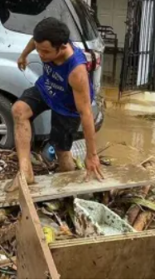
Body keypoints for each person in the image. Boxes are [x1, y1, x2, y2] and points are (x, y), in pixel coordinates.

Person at [12, 17, 103, 184]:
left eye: (46, 52)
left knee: (62, 152)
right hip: (48, 88)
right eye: (39, 50)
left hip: (68, 107)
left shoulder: (76, 71)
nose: (41, 55)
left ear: (62, 47)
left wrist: (92, 155)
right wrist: (23, 55)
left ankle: (68, 185)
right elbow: (35, 41)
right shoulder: (46, 41)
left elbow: (86, 113)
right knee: (19, 110)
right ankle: (26, 172)